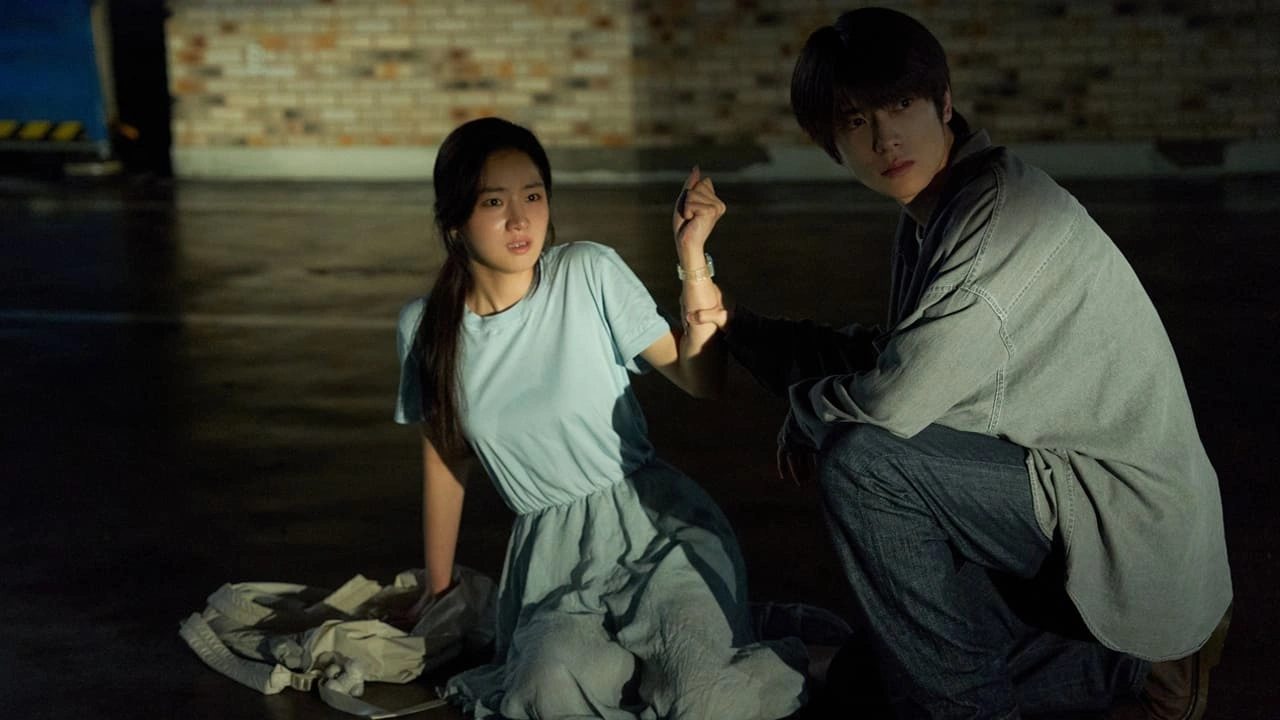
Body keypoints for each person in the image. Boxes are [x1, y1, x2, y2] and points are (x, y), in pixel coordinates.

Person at [683, 7, 1232, 719]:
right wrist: (736, 324)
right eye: (856, 121)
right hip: (1062, 496)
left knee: (864, 463)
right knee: (867, 684)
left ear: (944, 103)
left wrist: (807, 410)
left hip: (1124, 523)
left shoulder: (998, 217)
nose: (885, 138)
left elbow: (896, 400)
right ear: (833, 147)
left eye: (900, 105)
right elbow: (889, 357)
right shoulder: (938, 210)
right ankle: (1138, 668)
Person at [392, 116, 807, 719]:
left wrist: (692, 255)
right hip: (551, 564)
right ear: (454, 218)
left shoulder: (586, 272)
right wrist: (439, 587)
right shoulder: (426, 328)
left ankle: (775, 662)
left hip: (658, 532)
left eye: (533, 195)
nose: (520, 219)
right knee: (544, 694)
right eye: (494, 202)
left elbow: (701, 379)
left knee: (704, 699)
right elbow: (445, 459)